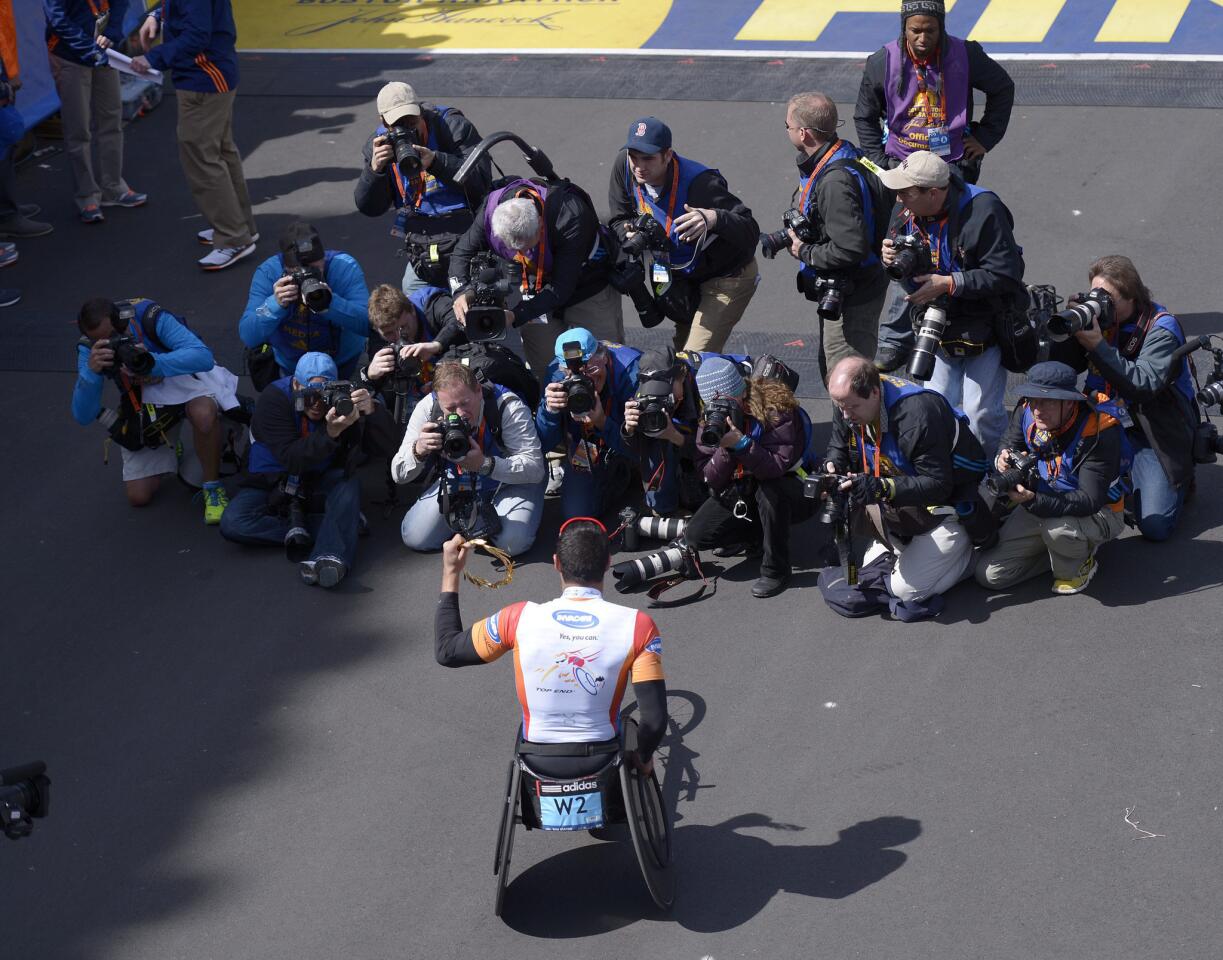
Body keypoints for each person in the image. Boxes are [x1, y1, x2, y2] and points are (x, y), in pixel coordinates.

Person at [434, 518, 667, 781]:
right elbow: (655, 721)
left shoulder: (517, 617)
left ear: (557, 563)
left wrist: (451, 572)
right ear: (607, 564)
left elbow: (447, 650)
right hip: (601, 760)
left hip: (537, 761)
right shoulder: (639, 626)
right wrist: (644, 758)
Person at [817, 357, 992, 621]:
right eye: (839, 406)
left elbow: (938, 485)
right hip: (903, 503)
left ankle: (970, 553)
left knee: (904, 592)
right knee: (867, 572)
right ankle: (921, 555)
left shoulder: (916, 415)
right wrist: (832, 466)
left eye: (851, 406)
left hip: (951, 502)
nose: (844, 414)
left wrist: (882, 487)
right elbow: (839, 445)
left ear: (875, 392)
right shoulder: (848, 400)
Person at [876, 151, 1026, 459]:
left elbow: (1007, 274)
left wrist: (950, 283)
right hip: (935, 321)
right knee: (935, 402)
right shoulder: (905, 211)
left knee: (980, 412)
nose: (899, 199)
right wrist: (889, 257)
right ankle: (945, 474)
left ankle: (988, 476)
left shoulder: (984, 210)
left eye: (906, 192)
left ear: (933, 193)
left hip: (984, 323)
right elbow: (902, 262)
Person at [1052, 256, 1200, 542]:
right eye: (1095, 294)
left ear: (1132, 296)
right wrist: (1070, 332)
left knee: (1156, 527)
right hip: (1100, 424)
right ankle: (1122, 479)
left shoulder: (1161, 329)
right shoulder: (1098, 321)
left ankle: (1179, 478)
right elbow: (1063, 370)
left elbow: (1142, 385)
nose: (1099, 303)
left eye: (1108, 298)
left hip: (1151, 433)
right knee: (1056, 490)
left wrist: (1097, 346)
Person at [220, 352, 396, 588]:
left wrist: (373, 413)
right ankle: (338, 525)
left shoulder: (342, 400)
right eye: (308, 396)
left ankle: (330, 556)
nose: (316, 404)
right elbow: (292, 458)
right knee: (234, 522)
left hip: (320, 480)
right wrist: (330, 433)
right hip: (273, 480)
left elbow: (388, 448)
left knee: (348, 484)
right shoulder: (274, 400)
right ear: (295, 384)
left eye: (323, 396)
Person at [449, 174, 624, 382]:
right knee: (546, 371)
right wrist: (460, 292)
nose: (520, 253)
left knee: (603, 363)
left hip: (587, 286)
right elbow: (461, 252)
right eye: (512, 248)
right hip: (536, 288)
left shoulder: (570, 216)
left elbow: (561, 289)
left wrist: (515, 315)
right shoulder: (491, 209)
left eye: (526, 246)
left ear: (541, 224)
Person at [607, 116, 759, 353]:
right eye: (633, 157)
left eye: (648, 158)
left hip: (726, 277)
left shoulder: (700, 183)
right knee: (681, 356)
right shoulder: (625, 167)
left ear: (667, 156)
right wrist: (630, 230)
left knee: (693, 360)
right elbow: (618, 218)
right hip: (680, 274)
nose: (638, 166)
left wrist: (713, 218)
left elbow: (750, 230)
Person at [72, 296, 231, 522]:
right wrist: (91, 374)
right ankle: (169, 442)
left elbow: (202, 357)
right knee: (139, 496)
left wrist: (153, 364)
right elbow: (83, 415)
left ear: (122, 319)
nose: (112, 343)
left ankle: (213, 488)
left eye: (115, 335)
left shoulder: (148, 316)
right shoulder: (88, 349)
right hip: (142, 398)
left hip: (181, 376)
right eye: (102, 341)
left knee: (204, 414)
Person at [975, 362, 1128, 595]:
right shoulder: (1027, 409)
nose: (1038, 409)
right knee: (991, 575)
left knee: (1057, 531)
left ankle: (1080, 564)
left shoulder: (1097, 432)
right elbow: (1009, 443)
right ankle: (1059, 552)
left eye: (1047, 401)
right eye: (1034, 399)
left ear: (1068, 402)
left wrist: (1033, 501)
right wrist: (1001, 459)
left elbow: (1089, 500)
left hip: (1099, 512)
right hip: (1045, 498)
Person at [133, 0, 258, 271]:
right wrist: (156, 14)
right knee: (221, 152)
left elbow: (197, 35)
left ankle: (233, 237)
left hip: (203, 79)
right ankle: (240, 226)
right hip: (211, 75)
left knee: (202, 158)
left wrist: (152, 58)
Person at [779, 92, 893, 383]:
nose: (788, 130)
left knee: (847, 382)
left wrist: (804, 250)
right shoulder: (852, 153)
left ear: (803, 133)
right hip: (866, 281)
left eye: (788, 126)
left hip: (853, 294)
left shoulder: (833, 181)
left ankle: (859, 429)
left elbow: (848, 248)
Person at [682, 357, 818, 598]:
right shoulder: (710, 418)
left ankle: (776, 570)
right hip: (744, 487)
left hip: (792, 487)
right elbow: (708, 477)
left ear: (740, 391)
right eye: (712, 404)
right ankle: (756, 534)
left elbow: (776, 466)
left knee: (769, 492)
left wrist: (742, 444)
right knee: (697, 535)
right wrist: (725, 450)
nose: (719, 411)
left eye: (725, 403)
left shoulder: (775, 407)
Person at [393, 361, 545, 557]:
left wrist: (486, 465)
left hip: (509, 481)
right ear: (438, 401)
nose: (460, 414)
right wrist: (418, 450)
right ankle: (474, 519)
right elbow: (398, 474)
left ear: (479, 391)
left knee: (511, 544)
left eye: (465, 403)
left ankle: (481, 519)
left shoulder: (506, 405)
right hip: (458, 481)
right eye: (451, 408)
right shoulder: (428, 408)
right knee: (415, 537)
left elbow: (535, 468)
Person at [853, 0, 1014, 185]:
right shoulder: (882, 62)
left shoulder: (966, 55)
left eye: (930, 31)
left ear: (941, 27)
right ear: (904, 27)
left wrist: (985, 137)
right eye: (916, 31)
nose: (922, 39)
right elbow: (864, 116)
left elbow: (1003, 88)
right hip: (899, 164)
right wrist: (879, 162)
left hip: (952, 163)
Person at [354, 82, 490, 294]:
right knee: (413, 297)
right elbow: (369, 207)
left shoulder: (451, 126)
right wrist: (375, 170)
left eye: (411, 120)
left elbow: (482, 180)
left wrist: (437, 162)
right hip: (424, 243)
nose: (408, 130)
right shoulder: (379, 144)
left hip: (469, 234)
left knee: (480, 305)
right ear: (383, 122)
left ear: (420, 111)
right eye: (398, 124)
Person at [44, 0, 148, 224]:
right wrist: (88, 48)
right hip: (70, 56)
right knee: (79, 128)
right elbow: (58, 19)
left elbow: (120, 2)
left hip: (104, 51)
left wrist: (112, 31)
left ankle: (113, 187)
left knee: (111, 117)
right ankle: (87, 195)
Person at [622, 346, 751, 519]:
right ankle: (663, 506)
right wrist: (629, 430)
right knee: (653, 431)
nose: (668, 405)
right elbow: (633, 449)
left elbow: (722, 441)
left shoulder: (711, 378)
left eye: (669, 398)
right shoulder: (644, 393)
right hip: (690, 437)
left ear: (681, 376)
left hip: (726, 440)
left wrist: (675, 436)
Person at [239, 222, 370, 385]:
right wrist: (274, 305)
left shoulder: (344, 267)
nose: (307, 277)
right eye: (297, 272)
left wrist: (331, 303)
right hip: (292, 373)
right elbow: (248, 336)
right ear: (285, 266)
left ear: (323, 258)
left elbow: (368, 325)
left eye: (315, 269)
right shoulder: (269, 272)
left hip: (346, 364)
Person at [536, 328, 641, 521]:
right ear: (564, 370)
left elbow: (643, 447)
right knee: (577, 513)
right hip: (588, 443)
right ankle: (618, 478)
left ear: (604, 357)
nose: (587, 379)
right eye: (575, 373)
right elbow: (542, 444)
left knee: (645, 466)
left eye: (591, 369)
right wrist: (549, 411)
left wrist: (602, 422)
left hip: (625, 436)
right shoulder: (556, 376)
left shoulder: (631, 371)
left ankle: (628, 470)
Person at [359, 281, 467, 421]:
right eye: (389, 333)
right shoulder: (378, 339)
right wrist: (370, 375)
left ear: (412, 310)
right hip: (415, 401)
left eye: (403, 327)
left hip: (458, 387)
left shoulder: (431, 303)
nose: (399, 337)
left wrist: (436, 345)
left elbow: (457, 319)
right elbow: (369, 391)